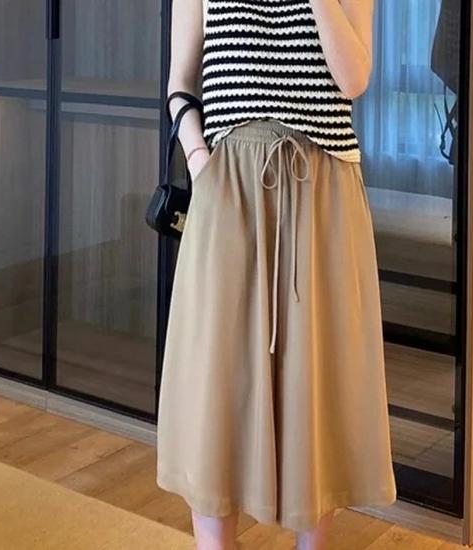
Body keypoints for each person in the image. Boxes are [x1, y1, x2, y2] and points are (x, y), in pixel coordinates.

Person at [156, 0, 397, 549]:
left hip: (322, 190)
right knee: (215, 377)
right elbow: (180, 83)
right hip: (228, 188)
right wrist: (200, 163)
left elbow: (354, 79)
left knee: (317, 376)